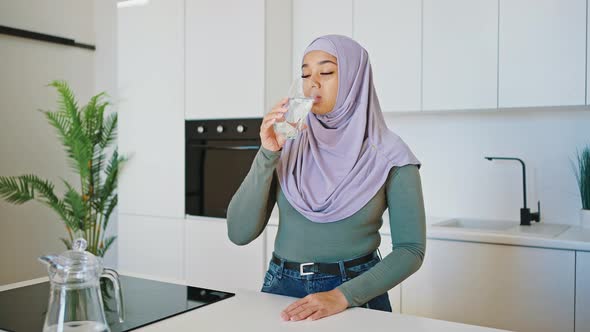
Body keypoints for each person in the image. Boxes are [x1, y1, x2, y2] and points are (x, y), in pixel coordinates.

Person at [226, 34, 426, 322]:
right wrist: (267, 152)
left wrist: (342, 295)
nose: (312, 83)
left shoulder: (391, 155)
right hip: (280, 287)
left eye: (327, 72)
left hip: (354, 292)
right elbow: (238, 233)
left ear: (355, 80)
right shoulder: (288, 141)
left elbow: (411, 250)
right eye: (305, 74)